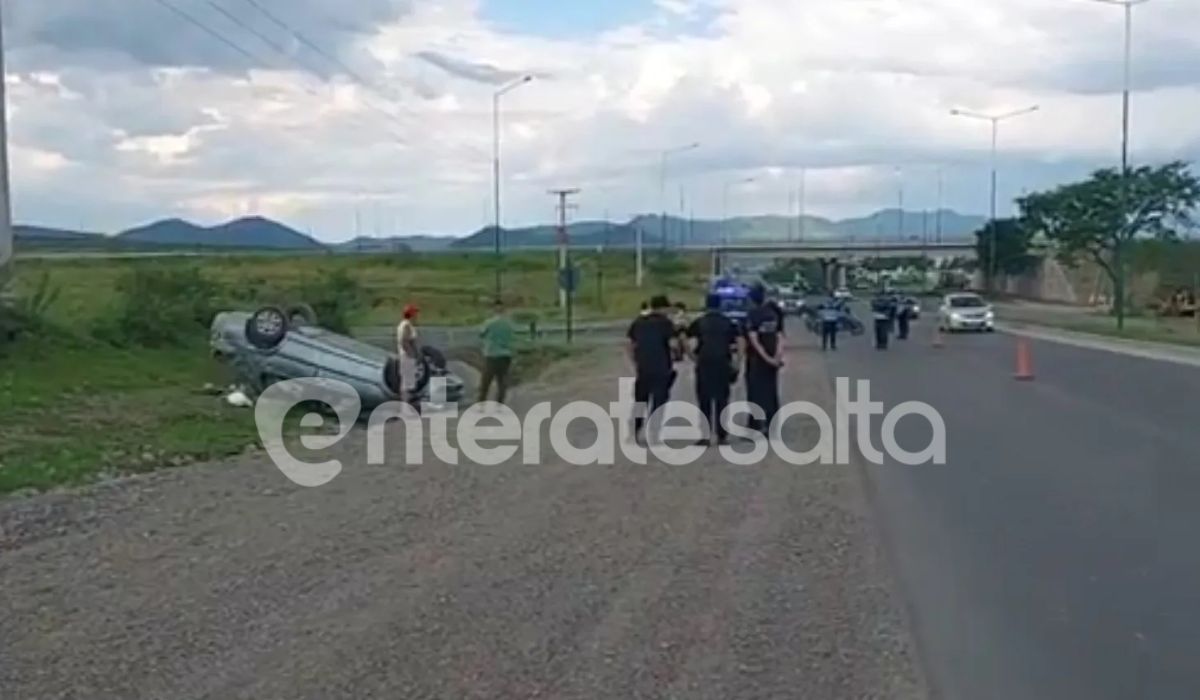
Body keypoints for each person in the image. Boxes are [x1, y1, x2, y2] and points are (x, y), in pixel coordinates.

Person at [688, 293, 742, 445]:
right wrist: (738, 362)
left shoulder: (700, 322)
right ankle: (721, 434)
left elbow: (684, 337)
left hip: (704, 361)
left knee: (704, 399)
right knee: (722, 399)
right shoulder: (728, 322)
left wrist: (691, 355)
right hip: (722, 362)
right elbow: (739, 341)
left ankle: (705, 435)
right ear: (720, 305)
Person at [627, 295, 677, 442]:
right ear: (663, 308)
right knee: (658, 400)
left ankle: (635, 431)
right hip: (661, 367)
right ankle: (653, 433)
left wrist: (635, 362)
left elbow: (630, 345)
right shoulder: (666, 323)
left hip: (643, 367)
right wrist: (675, 356)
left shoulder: (638, 322)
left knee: (640, 400)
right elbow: (673, 344)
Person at [744, 283, 784, 434]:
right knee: (771, 391)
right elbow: (780, 337)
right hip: (773, 360)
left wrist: (766, 358)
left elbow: (754, 339)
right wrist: (776, 357)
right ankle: (772, 424)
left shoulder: (753, 314)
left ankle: (756, 425)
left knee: (756, 392)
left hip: (757, 360)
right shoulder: (774, 313)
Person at [478, 298, 515, 404]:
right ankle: (500, 403)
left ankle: (481, 402)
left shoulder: (489, 322)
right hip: (505, 355)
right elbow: (512, 337)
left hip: (491, 354)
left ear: (493, 309)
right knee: (502, 381)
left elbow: (481, 334)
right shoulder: (508, 323)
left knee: (486, 380)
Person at [396, 303, 422, 409]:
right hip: (407, 356)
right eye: (415, 313)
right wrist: (412, 353)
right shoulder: (406, 325)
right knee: (407, 382)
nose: (417, 316)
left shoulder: (404, 324)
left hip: (406, 356)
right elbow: (404, 341)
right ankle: (406, 406)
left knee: (408, 381)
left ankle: (407, 405)